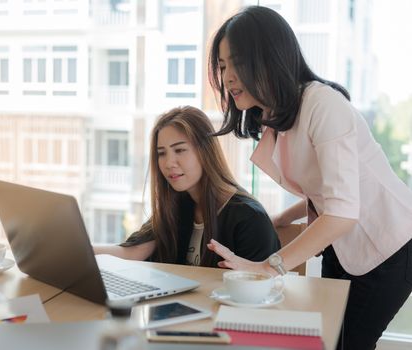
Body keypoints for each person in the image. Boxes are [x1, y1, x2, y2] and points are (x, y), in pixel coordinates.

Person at [206, 6, 412, 349]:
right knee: (328, 339)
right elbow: (324, 192)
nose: (227, 77)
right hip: (343, 246)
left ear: (268, 56)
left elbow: (343, 210)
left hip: (390, 245)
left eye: (236, 62)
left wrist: (270, 267)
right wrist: (279, 219)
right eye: (223, 65)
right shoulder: (278, 118)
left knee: (348, 344)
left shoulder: (323, 104)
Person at [94, 105, 279, 267]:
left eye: (180, 150)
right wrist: (76, 250)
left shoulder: (249, 218)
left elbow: (260, 292)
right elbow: (133, 252)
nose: (168, 163)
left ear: (205, 151)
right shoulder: (176, 207)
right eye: (161, 153)